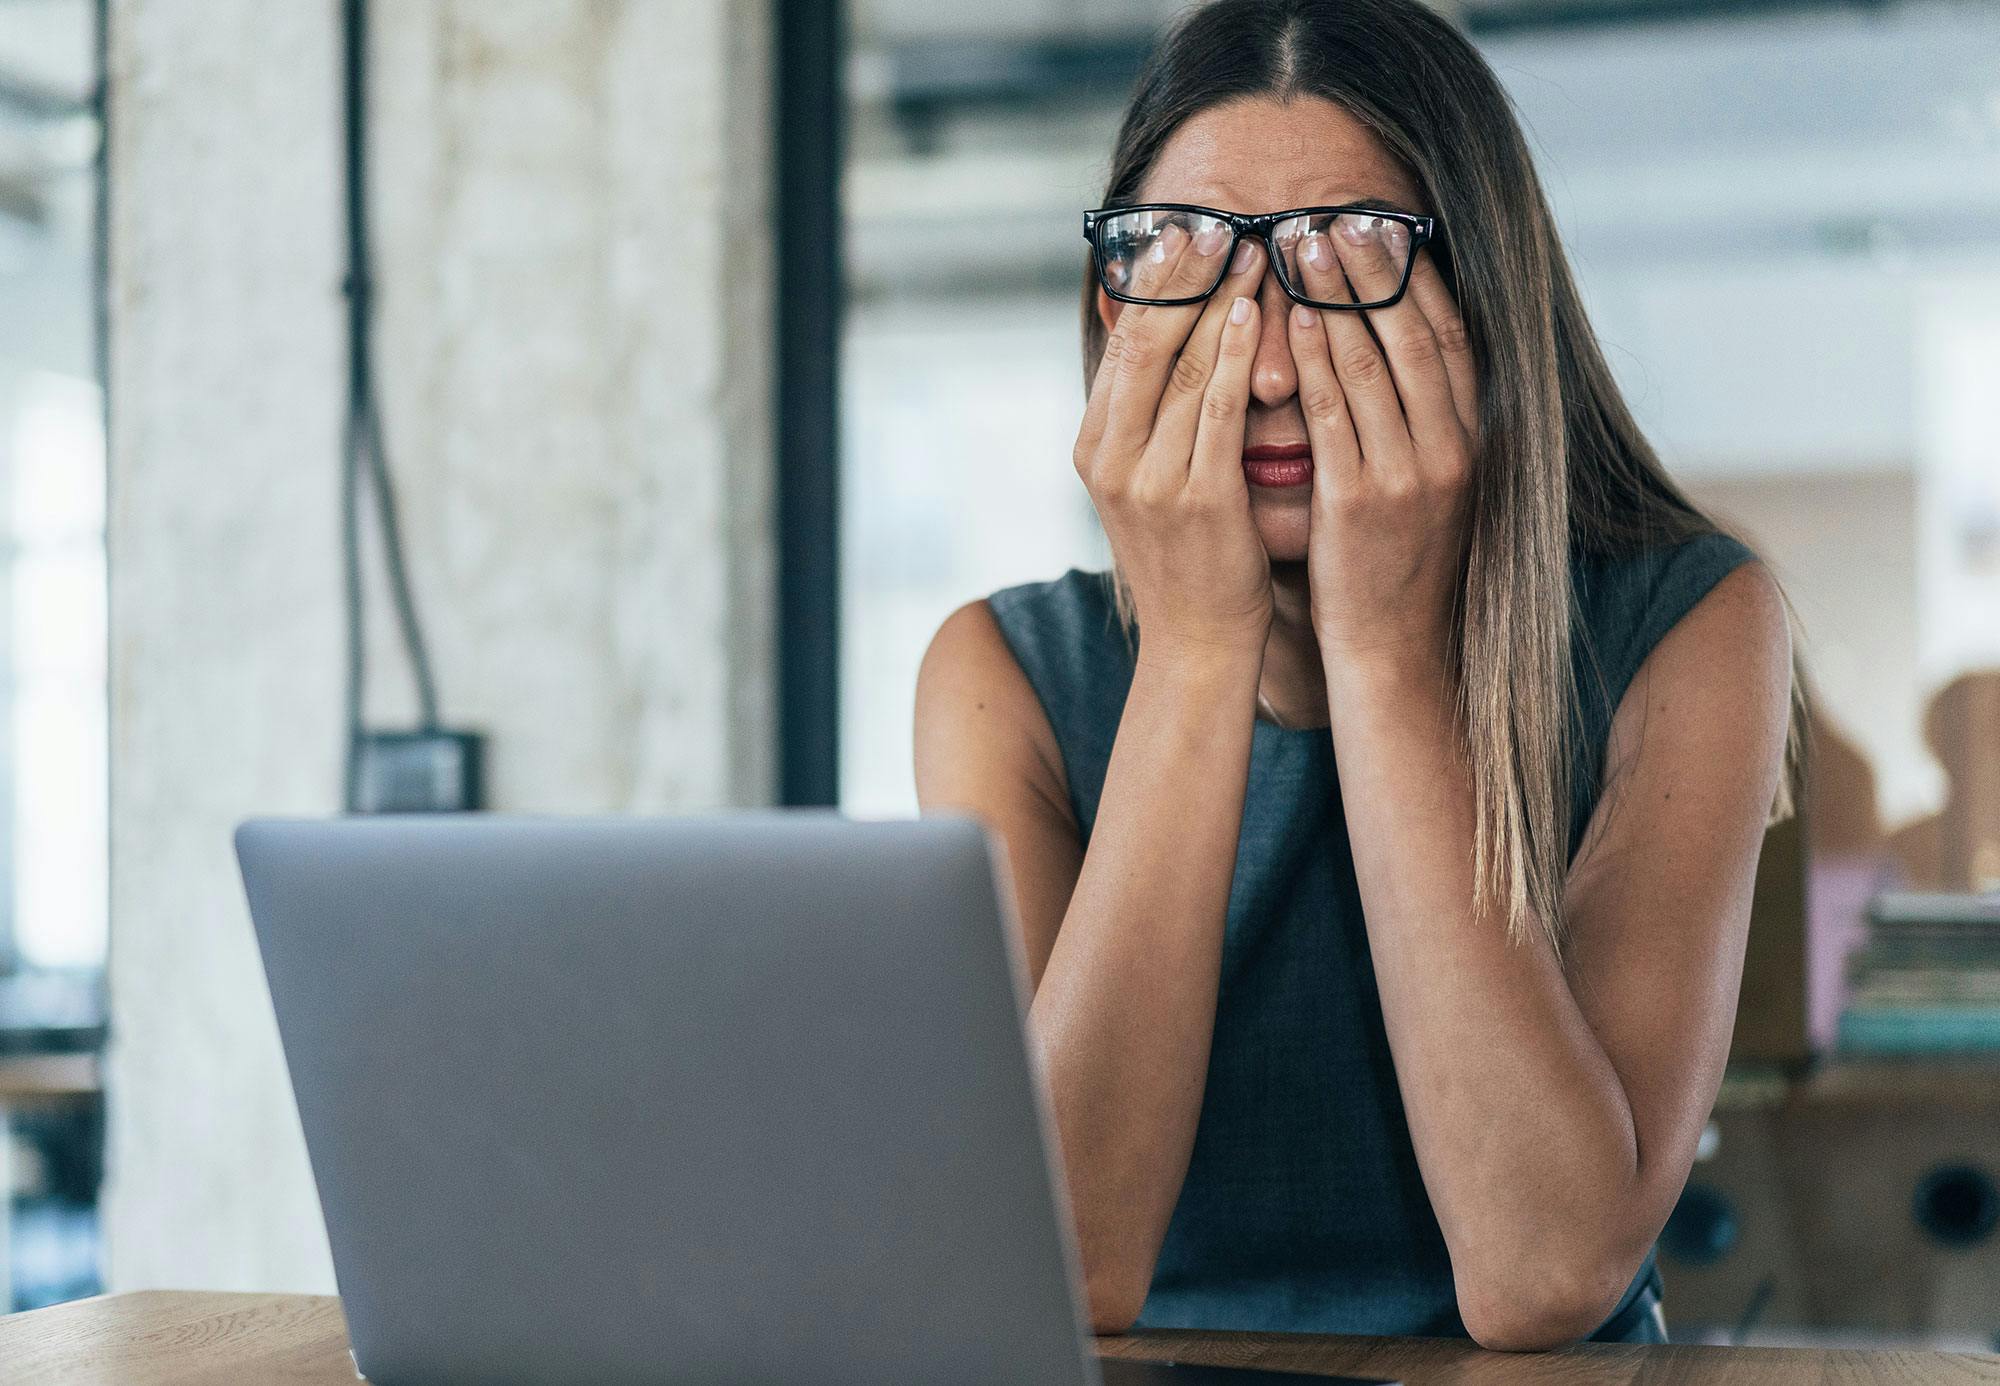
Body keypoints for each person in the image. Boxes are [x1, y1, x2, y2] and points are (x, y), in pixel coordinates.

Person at [912, 0, 1805, 1354]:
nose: (1269, 365)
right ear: (1116, 305)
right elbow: (1059, 1265)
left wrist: (1383, 652)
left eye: (1354, 260)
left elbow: (1545, 1268)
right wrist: (1199, 654)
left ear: (1484, 305)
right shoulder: (1003, 678)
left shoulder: (1690, 625)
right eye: (1196, 264)